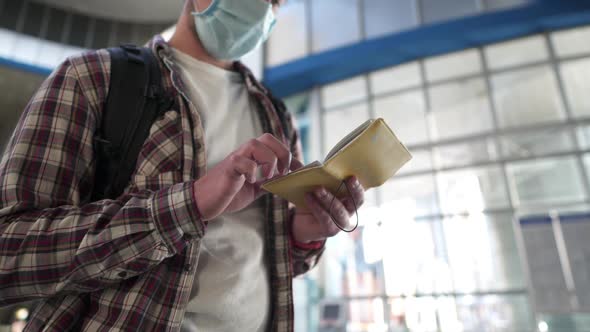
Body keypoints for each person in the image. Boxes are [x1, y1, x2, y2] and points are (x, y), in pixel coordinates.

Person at [0, 0, 366, 331]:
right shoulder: (93, 78)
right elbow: (10, 255)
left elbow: (262, 264)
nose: (265, 9)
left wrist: (303, 235)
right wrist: (187, 206)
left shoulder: (276, 115)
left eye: (276, 1)